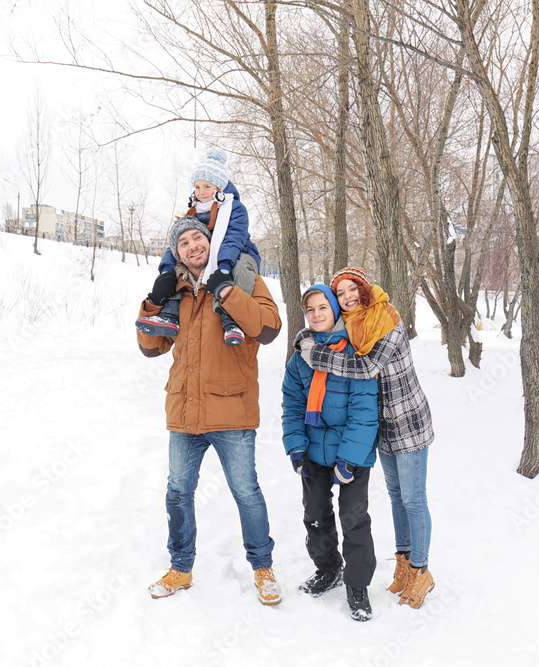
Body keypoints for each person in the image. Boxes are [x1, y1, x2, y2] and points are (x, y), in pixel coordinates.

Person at [138, 215, 282, 605]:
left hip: (231, 410)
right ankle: (181, 569)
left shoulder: (242, 276)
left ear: (210, 242)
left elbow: (268, 328)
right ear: (176, 253)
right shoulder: (177, 290)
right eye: (182, 242)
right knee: (177, 492)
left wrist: (227, 290)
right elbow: (151, 347)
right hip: (185, 412)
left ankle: (263, 568)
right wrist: (154, 300)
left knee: (245, 492)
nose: (191, 246)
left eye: (196, 238)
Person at [297, 267, 436, 609]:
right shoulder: (355, 325)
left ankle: (421, 570)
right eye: (339, 293)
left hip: (408, 423)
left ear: (364, 288)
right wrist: (307, 338)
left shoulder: (385, 318)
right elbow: (325, 331)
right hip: (383, 426)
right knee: (395, 496)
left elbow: (363, 368)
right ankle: (403, 563)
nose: (346, 297)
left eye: (351, 289)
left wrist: (315, 355)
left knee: (413, 499)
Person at [282, 285, 379, 621]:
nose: (317, 314)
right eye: (310, 310)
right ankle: (328, 569)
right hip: (313, 451)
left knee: (354, 520)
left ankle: (357, 585)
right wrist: (295, 447)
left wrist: (349, 458)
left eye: (323, 307)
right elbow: (291, 405)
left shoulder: (355, 352)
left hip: (353, 453)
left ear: (335, 310)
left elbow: (364, 411)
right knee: (316, 515)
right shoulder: (300, 356)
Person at [136, 147, 260, 345]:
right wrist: (166, 269)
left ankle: (231, 319)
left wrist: (225, 264)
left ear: (219, 188)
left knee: (241, 269)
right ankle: (169, 314)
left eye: (207, 187)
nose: (201, 192)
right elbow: (178, 241)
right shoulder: (193, 211)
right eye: (197, 186)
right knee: (179, 270)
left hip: (237, 252)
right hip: (207, 255)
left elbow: (234, 237)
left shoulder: (234, 208)